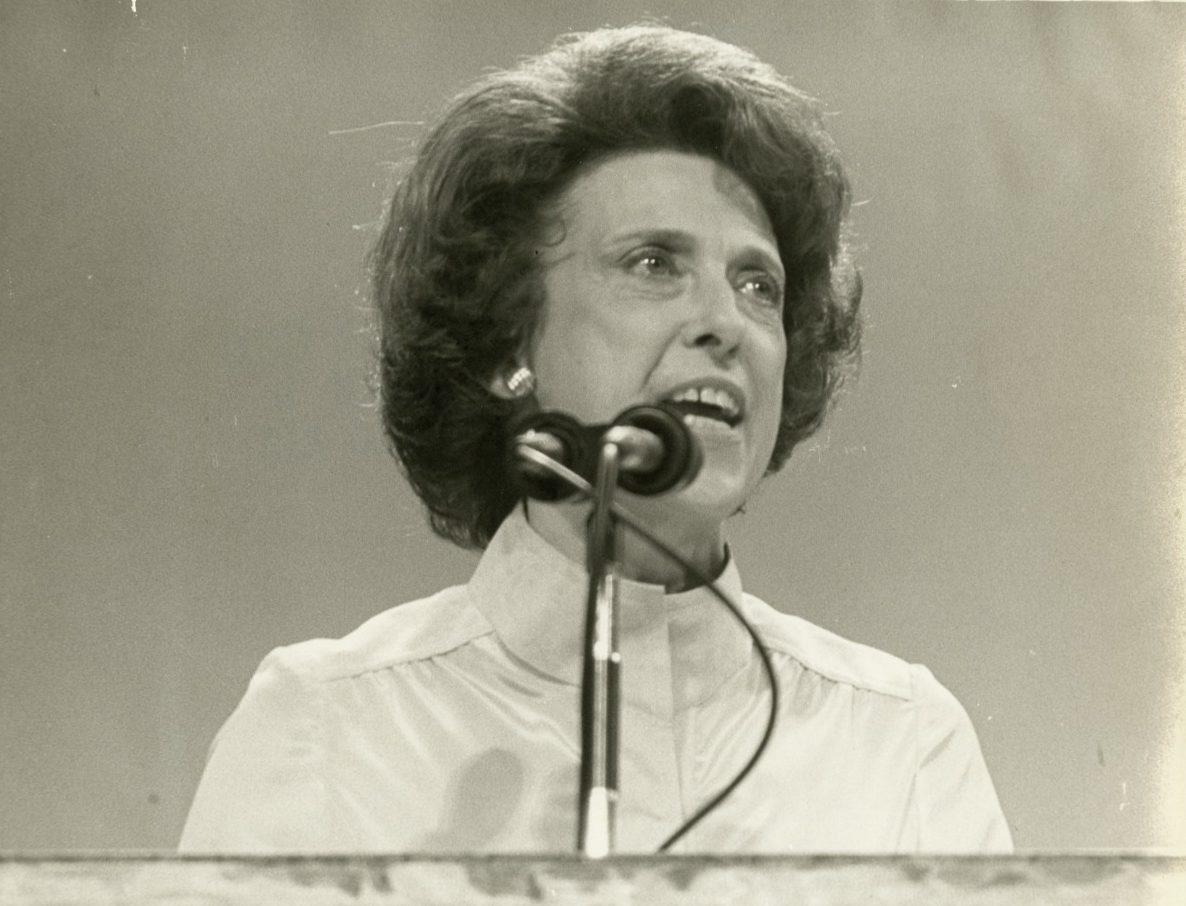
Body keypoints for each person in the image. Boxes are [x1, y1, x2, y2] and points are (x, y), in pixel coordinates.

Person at [179, 25, 1011, 853]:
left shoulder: (901, 744)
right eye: (654, 264)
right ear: (507, 345)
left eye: (758, 285)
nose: (726, 323)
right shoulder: (325, 731)